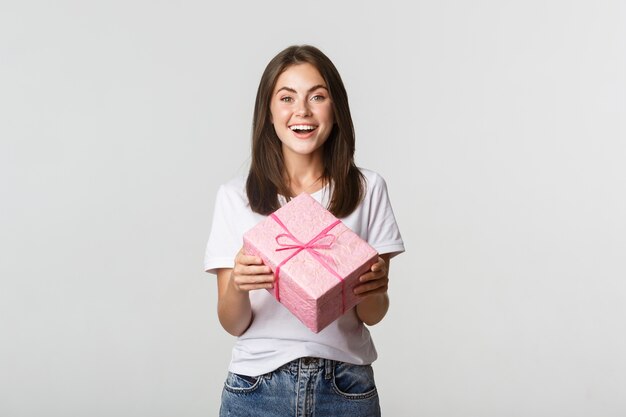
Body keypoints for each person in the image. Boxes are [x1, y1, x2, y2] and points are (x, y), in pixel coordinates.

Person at [204, 44, 405, 417]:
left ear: (336, 108)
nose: (302, 111)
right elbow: (233, 322)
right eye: (286, 98)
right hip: (257, 386)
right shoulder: (235, 196)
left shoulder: (368, 189)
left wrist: (375, 286)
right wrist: (238, 284)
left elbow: (372, 314)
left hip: (346, 386)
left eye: (317, 96)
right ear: (268, 111)